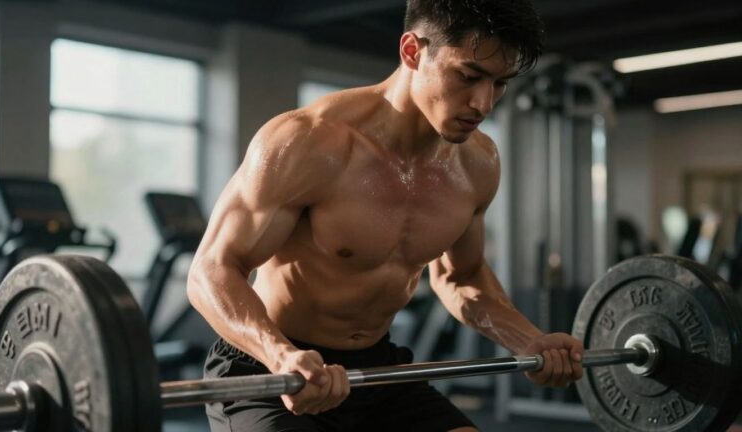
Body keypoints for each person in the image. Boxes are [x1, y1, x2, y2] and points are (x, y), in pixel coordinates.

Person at [188, 0, 584, 430]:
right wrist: (279, 354)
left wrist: (529, 340)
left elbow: (460, 278)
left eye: (500, 84)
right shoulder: (308, 143)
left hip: (378, 371)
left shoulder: (478, 163)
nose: (484, 103)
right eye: (468, 76)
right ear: (412, 51)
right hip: (270, 369)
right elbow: (212, 269)